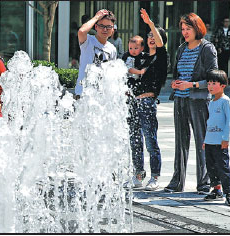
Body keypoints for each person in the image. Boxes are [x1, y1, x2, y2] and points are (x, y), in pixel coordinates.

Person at [164, 13, 218, 194]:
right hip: (180, 99)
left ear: (197, 28)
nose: (185, 32)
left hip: (199, 101)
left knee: (201, 141)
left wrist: (191, 85)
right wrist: (176, 83)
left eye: (188, 29)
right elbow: (179, 74)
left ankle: (204, 183)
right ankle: (177, 181)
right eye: (183, 29)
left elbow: (213, 79)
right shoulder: (181, 48)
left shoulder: (207, 49)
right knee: (180, 142)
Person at [124, 8, 168, 191]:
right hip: (133, 102)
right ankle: (138, 174)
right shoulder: (140, 56)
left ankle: (155, 176)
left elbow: (159, 44)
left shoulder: (161, 57)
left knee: (150, 141)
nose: (151, 38)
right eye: (148, 35)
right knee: (135, 141)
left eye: (154, 35)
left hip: (148, 102)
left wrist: (150, 22)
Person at [202, 70, 230, 206]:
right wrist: (205, 140)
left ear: (223, 85)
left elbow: (229, 121)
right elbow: (210, 122)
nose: (210, 86)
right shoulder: (212, 102)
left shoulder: (225, 101)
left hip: (220, 142)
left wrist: (226, 139)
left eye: (214, 83)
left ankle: (229, 192)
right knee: (211, 167)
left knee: (223, 167)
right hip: (210, 141)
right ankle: (216, 189)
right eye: (209, 83)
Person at [74, 9, 117, 99]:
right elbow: (81, 31)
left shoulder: (112, 49)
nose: (105, 29)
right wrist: (96, 17)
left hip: (101, 96)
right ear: (96, 27)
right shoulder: (88, 41)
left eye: (108, 27)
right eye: (101, 26)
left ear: (113, 30)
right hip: (83, 93)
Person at [213, 17, 230, 82]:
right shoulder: (219, 30)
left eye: (228, 21)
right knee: (221, 63)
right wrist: (218, 47)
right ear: (223, 22)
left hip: (229, 49)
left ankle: (226, 78)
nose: (226, 23)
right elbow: (216, 39)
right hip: (221, 49)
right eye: (225, 21)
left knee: (227, 64)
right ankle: (220, 78)